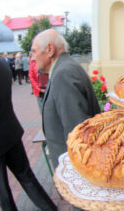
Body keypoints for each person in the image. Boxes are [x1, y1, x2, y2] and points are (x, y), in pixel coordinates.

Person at [30, 29, 101, 170]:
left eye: (34, 51)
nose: (32, 58)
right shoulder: (63, 68)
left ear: (50, 49)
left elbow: (77, 131)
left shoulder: (63, 73)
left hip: (72, 166)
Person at [0, 57, 57, 211]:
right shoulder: (2, 64)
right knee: (27, 177)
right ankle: (49, 208)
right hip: (11, 132)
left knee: (2, 190)